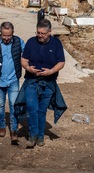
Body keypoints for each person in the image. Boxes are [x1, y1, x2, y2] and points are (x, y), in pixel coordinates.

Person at [14, 19, 67, 148]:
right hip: (31, 81)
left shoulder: (56, 43)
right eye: (38, 32)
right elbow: (24, 59)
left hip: (48, 83)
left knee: (42, 111)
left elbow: (61, 62)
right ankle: (32, 136)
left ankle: (40, 137)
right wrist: (28, 68)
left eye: (43, 33)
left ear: (50, 32)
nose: (40, 35)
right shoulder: (31, 42)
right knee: (32, 109)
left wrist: (51, 72)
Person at [0, 22, 25, 144]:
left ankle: (14, 130)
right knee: (0, 105)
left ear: (13, 33)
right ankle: (1, 126)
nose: (6, 38)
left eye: (9, 36)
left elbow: (28, 54)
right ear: (0, 33)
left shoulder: (19, 42)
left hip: (13, 79)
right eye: (4, 35)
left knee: (13, 105)